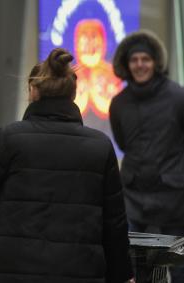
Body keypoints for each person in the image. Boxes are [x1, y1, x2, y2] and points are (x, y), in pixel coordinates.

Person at [0, 48, 134, 283]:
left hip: (11, 271)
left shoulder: (11, 138)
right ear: (73, 94)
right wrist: (123, 274)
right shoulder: (99, 146)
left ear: (33, 91)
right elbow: (115, 223)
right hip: (79, 272)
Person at [110, 30, 184, 282]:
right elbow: (122, 141)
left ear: (156, 62)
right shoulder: (119, 103)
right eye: (134, 60)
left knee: (177, 265)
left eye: (146, 59)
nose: (140, 64)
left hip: (173, 197)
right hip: (134, 198)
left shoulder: (178, 97)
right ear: (126, 64)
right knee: (137, 265)